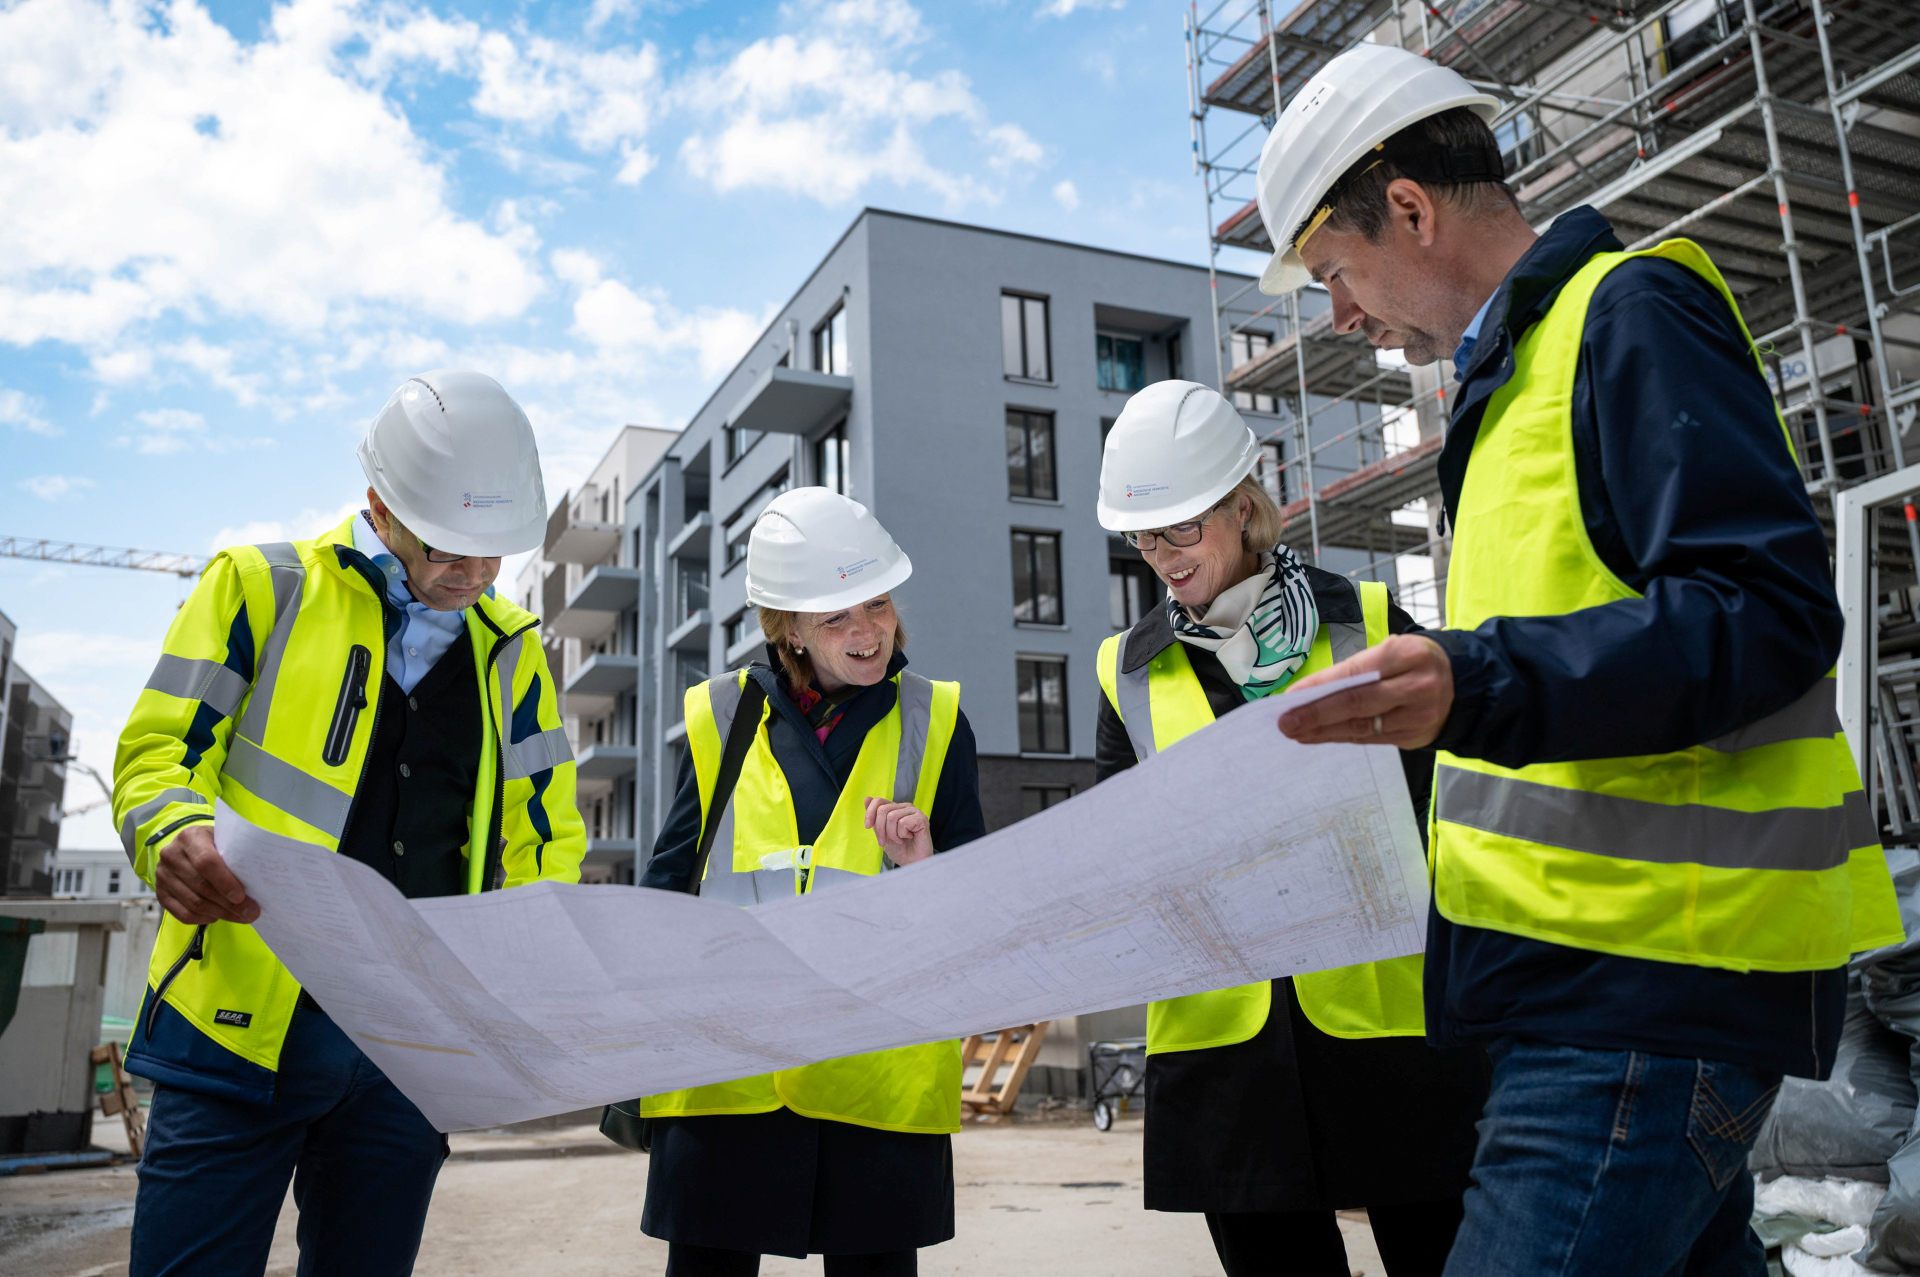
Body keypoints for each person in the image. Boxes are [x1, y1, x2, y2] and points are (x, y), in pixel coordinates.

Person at [1256, 43, 1905, 1277]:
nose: (1340, 314)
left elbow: (1763, 610)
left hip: (1645, 990)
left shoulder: (1630, 310)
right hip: (1593, 987)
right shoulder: (1508, 396)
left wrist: (1475, 679)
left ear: (1408, 207)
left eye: (1336, 272)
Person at [112, 369, 586, 1276]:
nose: (477, 573)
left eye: (495, 552)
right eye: (452, 546)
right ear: (379, 501)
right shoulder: (261, 587)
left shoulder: (514, 652)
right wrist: (169, 828)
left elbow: (543, 839)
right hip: (234, 1025)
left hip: (410, 1045)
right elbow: (157, 753)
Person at [1091, 379, 1487, 1277]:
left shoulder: (1372, 625)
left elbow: (1453, 817)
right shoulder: (1127, 670)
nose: (1161, 556)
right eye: (1142, 537)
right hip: (1226, 1057)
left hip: (1390, 1037)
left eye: (1180, 529)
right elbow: (1115, 846)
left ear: (1242, 508)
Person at [637, 487, 986, 1277]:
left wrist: (925, 865)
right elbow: (667, 888)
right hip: (729, 1075)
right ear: (788, 626)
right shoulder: (718, 716)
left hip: (875, 1080)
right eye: (836, 617)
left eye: (878, 605)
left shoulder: (937, 719)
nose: (867, 632)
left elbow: (975, 906)